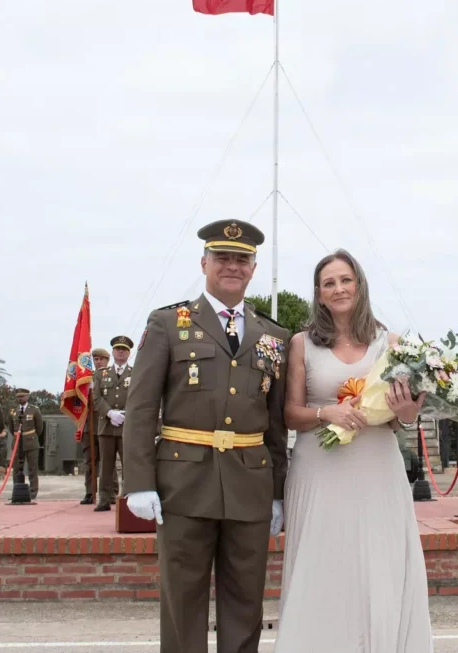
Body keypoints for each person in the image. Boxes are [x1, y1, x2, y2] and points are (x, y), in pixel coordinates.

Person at [122, 219, 288, 653]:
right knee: (182, 599)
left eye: (242, 260)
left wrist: (277, 492)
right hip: (183, 483)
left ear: (253, 269)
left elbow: (275, 422)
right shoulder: (168, 324)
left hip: (250, 484)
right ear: (204, 263)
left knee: (246, 601)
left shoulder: (274, 335)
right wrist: (138, 482)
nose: (232, 266)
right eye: (222, 258)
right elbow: (141, 408)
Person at [275, 249, 433, 653]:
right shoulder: (301, 344)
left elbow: (402, 417)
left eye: (346, 280)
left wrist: (407, 412)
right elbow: (291, 414)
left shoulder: (390, 343)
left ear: (359, 285)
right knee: (322, 563)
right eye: (329, 283)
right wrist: (326, 412)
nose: (339, 288)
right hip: (319, 469)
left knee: (378, 563)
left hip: (377, 468)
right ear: (319, 293)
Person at [91, 336, 134, 512]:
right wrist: (109, 413)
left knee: (128, 465)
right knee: (106, 466)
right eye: (118, 349)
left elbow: (140, 397)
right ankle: (104, 499)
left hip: (127, 426)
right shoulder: (101, 374)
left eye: (124, 349)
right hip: (106, 426)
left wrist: (126, 414)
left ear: (129, 353)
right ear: (113, 352)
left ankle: (128, 499)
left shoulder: (136, 373)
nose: (121, 352)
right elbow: (96, 397)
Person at [79, 348, 111, 504]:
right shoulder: (86, 379)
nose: (98, 362)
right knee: (90, 461)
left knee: (108, 461)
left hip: (106, 424)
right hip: (89, 426)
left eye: (101, 359)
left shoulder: (112, 377)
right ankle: (90, 492)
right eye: (96, 359)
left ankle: (111, 493)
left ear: (107, 361)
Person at [9, 388, 44, 500]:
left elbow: (39, 428)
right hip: (17, 443)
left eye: (22, 396)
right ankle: (17, 490)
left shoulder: (34, 410)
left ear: (27, 397)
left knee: (32, 469)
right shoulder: (13, 411)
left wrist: (31, 436)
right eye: (18, 397)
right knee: (16, 468)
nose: (20, 398)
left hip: (31, 442)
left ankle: (33, 492)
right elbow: (11, 428)